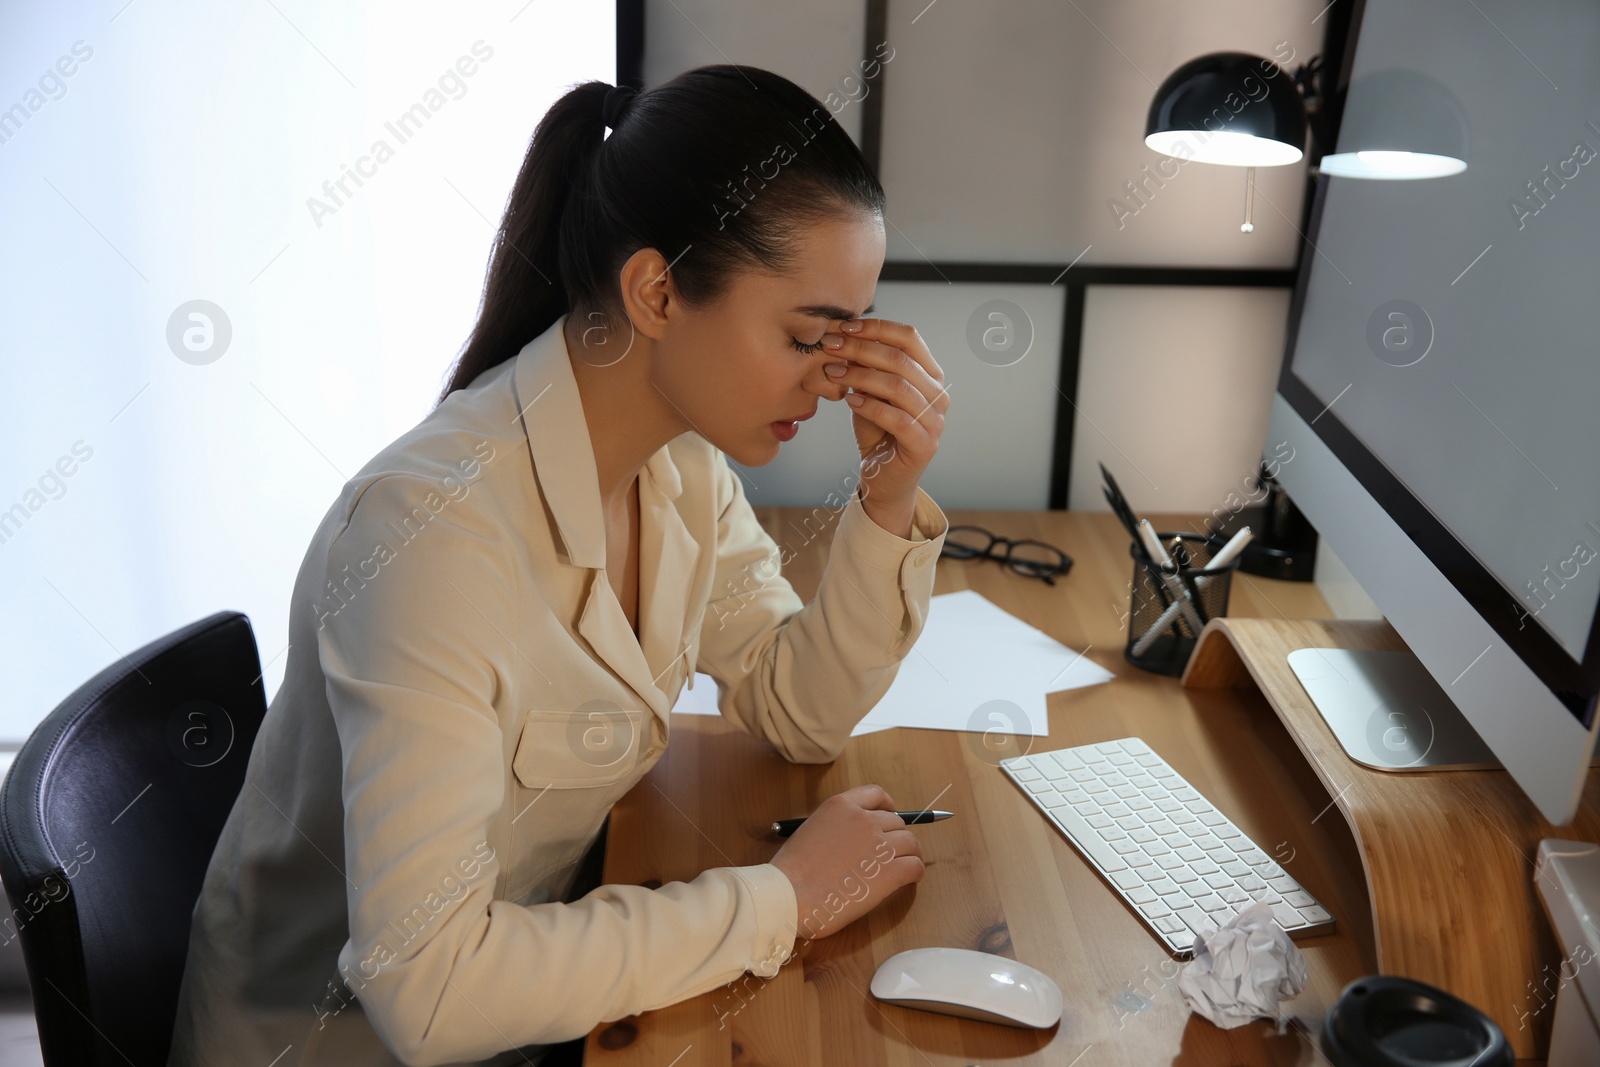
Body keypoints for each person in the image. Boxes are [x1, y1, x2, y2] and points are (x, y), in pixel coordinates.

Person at [167, 64, 951, 1067]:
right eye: (807, 335)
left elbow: (799, 708)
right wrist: (781, 898)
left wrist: (887, 493)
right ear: (656, 291)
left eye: (848, 336)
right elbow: (430, 986)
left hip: (528, 992)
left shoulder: (679, 461)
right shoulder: (430, 539)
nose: (836, 376)